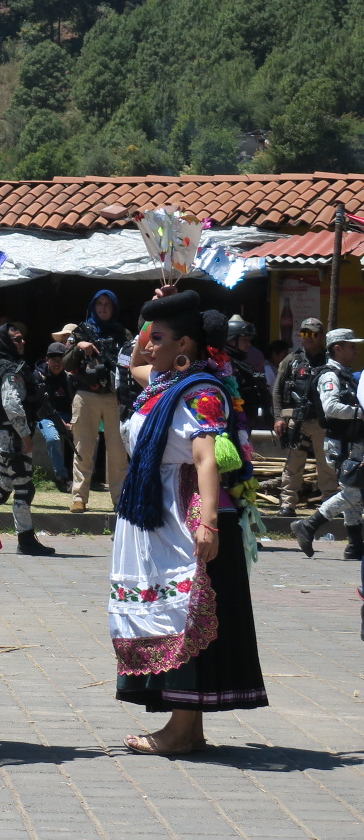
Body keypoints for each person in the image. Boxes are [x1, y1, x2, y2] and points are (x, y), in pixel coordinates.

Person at [111, 290, 267, 755]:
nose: (148, 345)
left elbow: (207, 459)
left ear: (186, 346)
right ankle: (188, 729)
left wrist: (209, 524)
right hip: (152, 514)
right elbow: (133, 359)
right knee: (168, 610)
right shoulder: (160, 384)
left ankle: (180, 731)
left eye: (159, 338)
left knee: (186, 612)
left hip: (184, 513)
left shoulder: (202, 393)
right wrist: (153, 312)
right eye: (149, 337)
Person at [0, 323, 53, 556]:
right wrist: (25, 436)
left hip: (5, 436)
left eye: (23, 339)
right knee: (23, 488)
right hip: (12, 438)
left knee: (3, 488)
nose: (22, 343)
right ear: (5, 341)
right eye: (17, 339)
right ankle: (25, 539)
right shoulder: (8, 371)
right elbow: (12, 405)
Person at [293, 328, 364, 559]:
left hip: (352, 442)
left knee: (352, 490)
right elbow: (330, 408)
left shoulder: (346, 374)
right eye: (350, 345)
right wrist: (359, 414)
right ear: (337, 348)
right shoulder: (329, 376)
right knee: (356, 493)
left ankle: (354, 545)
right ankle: (309, 525)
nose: (355, 349)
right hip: (341, 444)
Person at [66, 289, 133, 513]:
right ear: (93, 306)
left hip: (115, 397)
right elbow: (66, 364)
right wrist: (78, 347)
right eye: (99, 304)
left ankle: (120, 499)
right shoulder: (81, 331)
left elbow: (132, 362)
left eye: (108, 304)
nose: (103, 308)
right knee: (83, 447)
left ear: (114, 307)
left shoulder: (123, 334)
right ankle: (79, 497)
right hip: (86, 395)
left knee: (118, 451)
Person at [273, 318, 334, 517]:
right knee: (293, 465)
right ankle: (288, 504)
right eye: (304, 333)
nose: (308, 338)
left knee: (326, 465)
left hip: (322, 422)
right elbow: (278, 389)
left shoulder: (330, 359)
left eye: (313, 334)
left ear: (321, 336)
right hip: (297, 421)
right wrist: (278, 417)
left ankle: (329, 504)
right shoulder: (292, 360)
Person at [33, 342, 74, 484]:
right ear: (47, 360)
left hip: (66, 416)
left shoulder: (69, 378)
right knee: (53, 438)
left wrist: (72, 422)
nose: (58, 363)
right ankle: (61, 477)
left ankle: (79, 475)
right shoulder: (37, 377)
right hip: (44, 417)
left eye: (61, 360)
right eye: (54, 360)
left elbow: (74, 403)